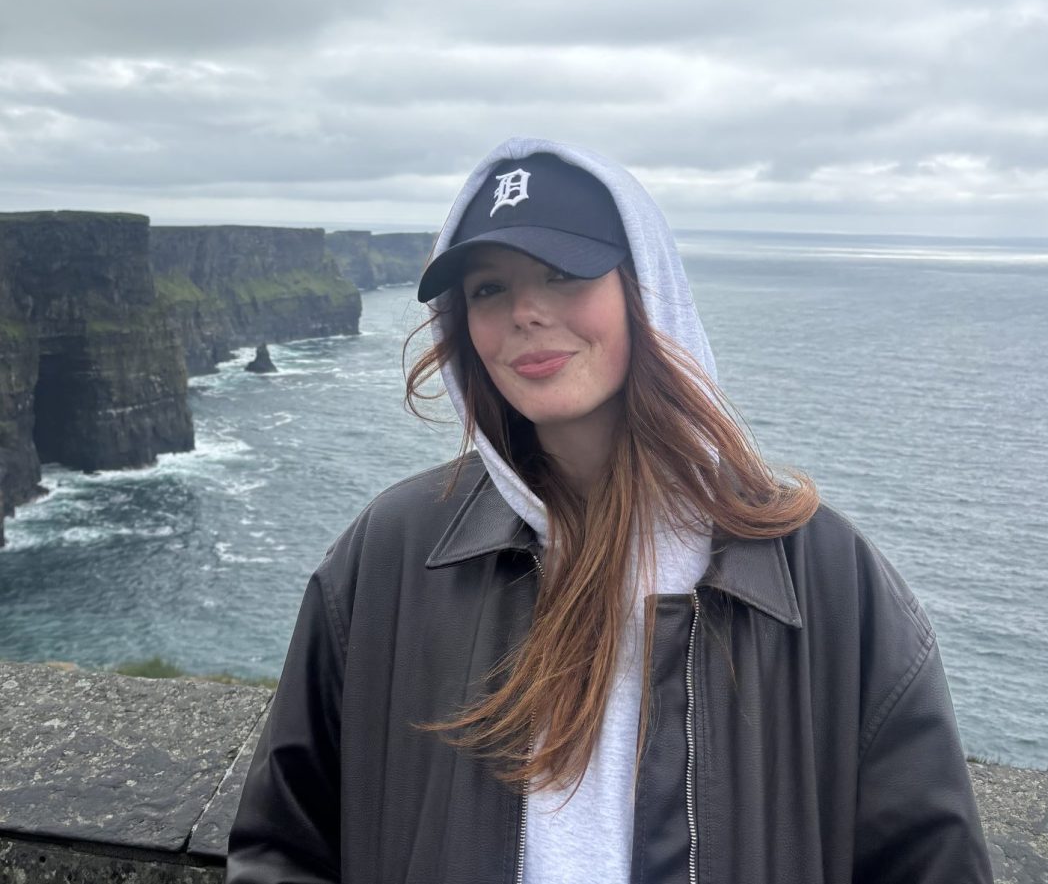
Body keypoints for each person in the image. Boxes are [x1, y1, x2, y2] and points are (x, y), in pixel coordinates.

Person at [227, 138, 993, 883]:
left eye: (563, 272)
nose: (525, 311)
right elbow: (283, 842)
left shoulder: (825, 581)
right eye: (488, 288)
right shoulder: (390, 552)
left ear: (645, 290)